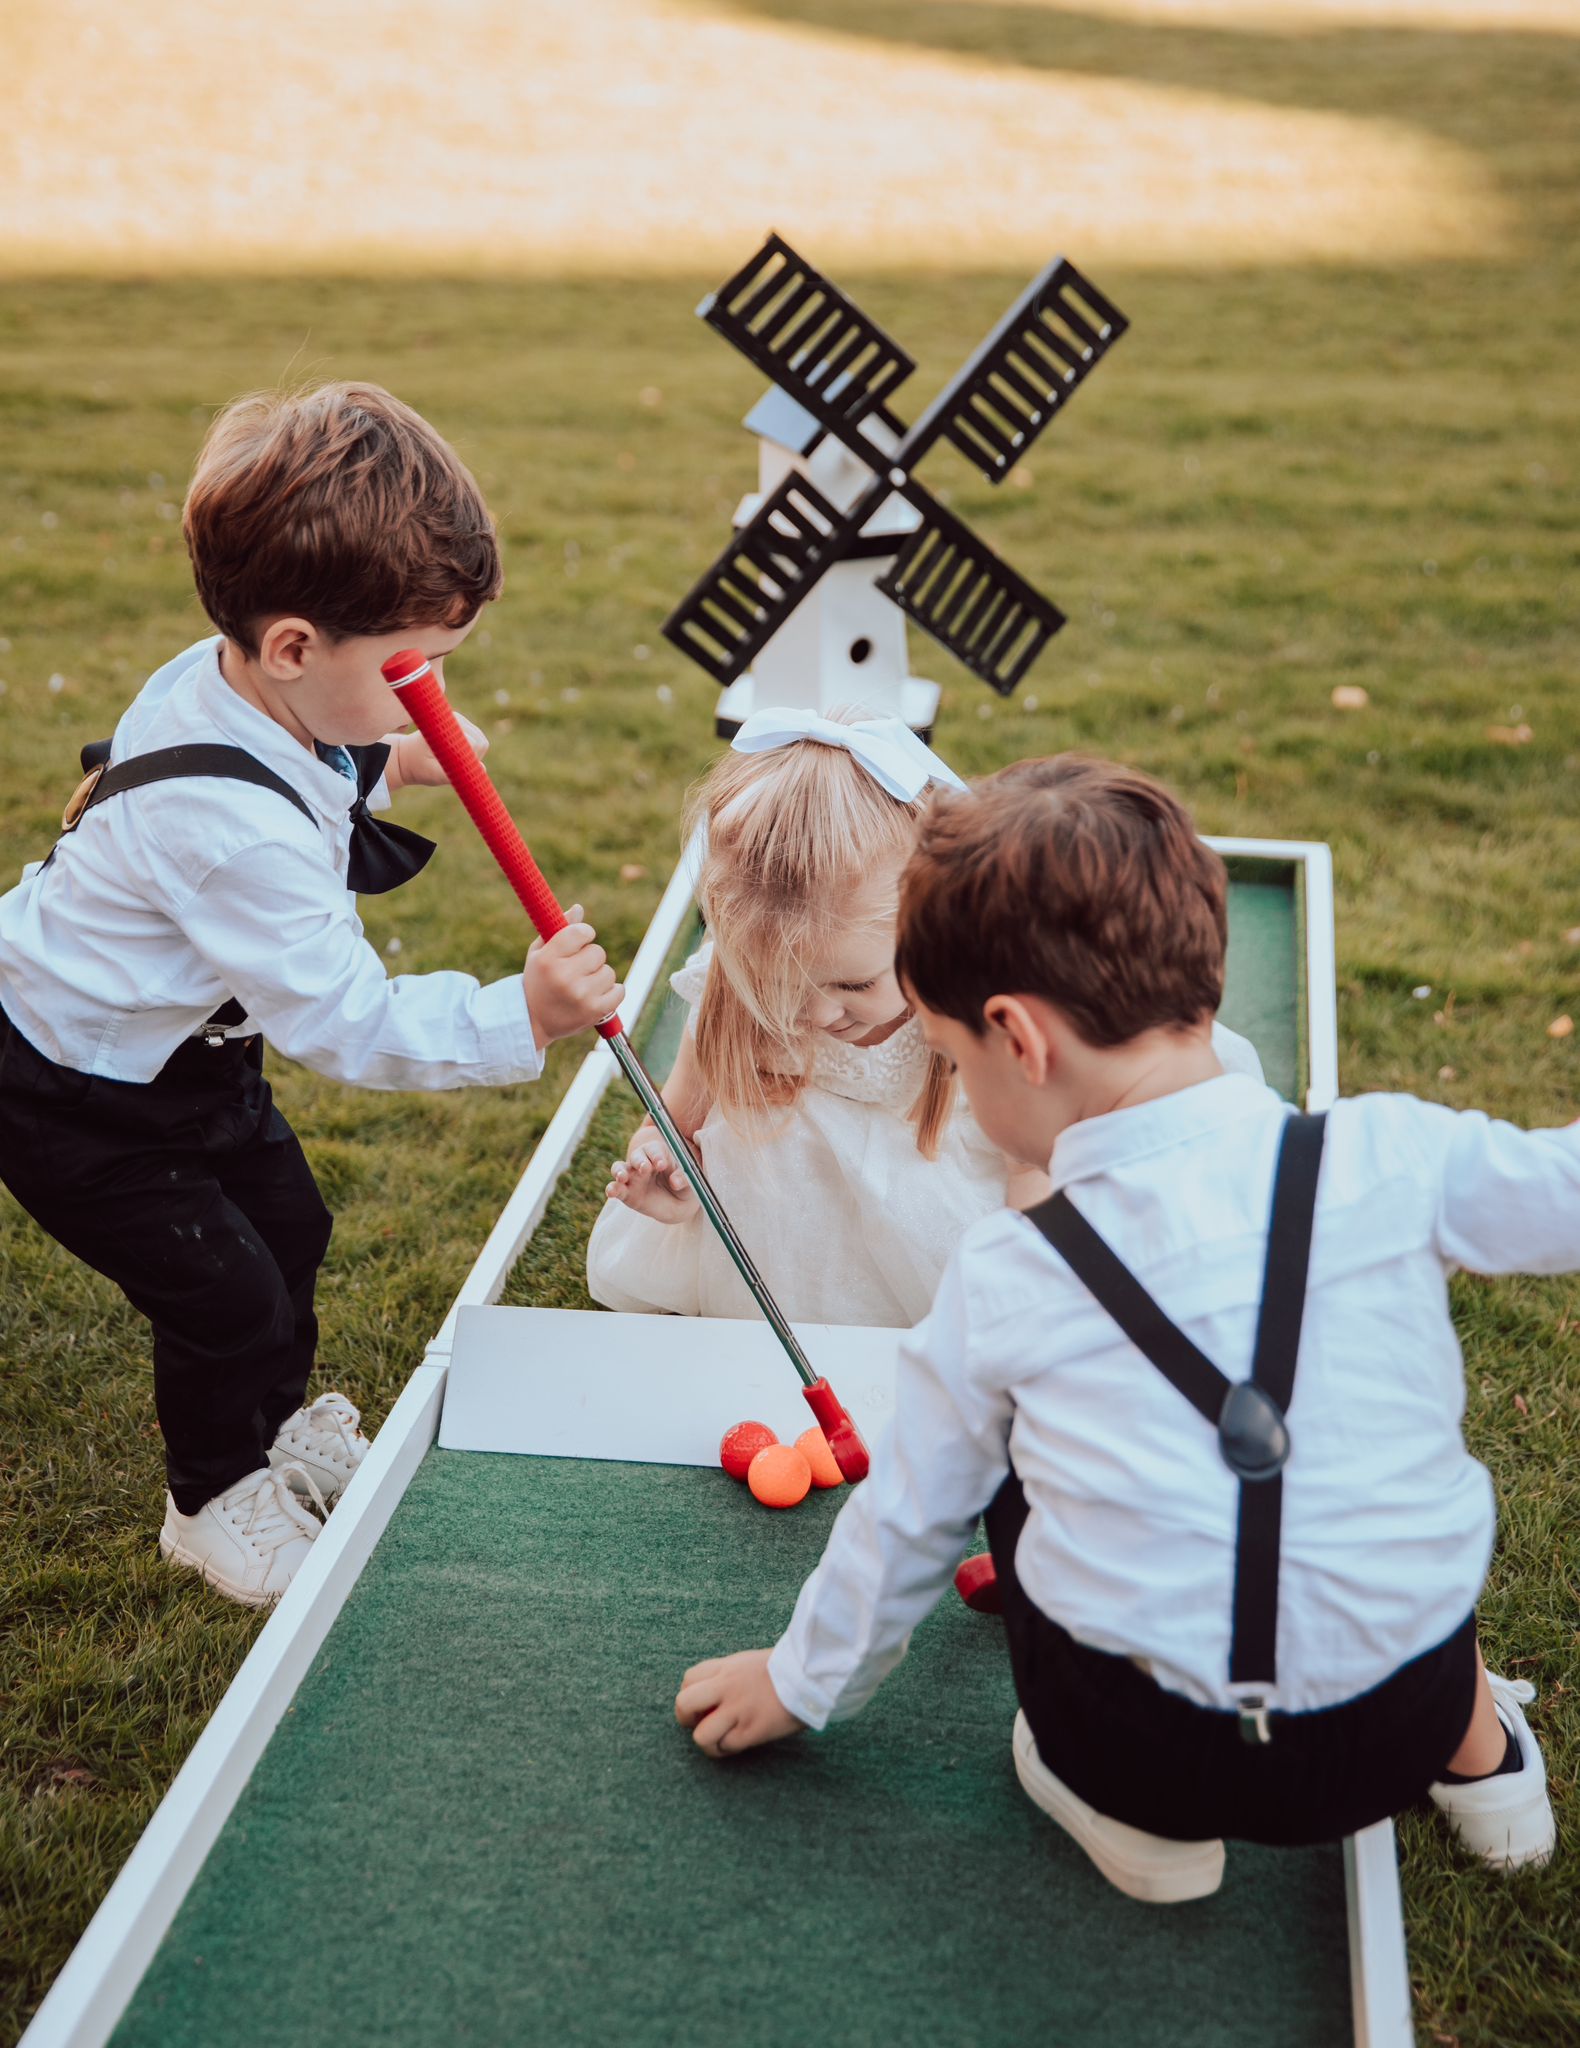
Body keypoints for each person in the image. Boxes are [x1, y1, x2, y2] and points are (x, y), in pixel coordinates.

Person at [674, 755, 1563, 1892]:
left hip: (1150, 1755)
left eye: (948, 1055)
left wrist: (795, 1683)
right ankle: (1492, 1780)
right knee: (1365, 1465)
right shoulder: (1386, 1152)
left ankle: (1139, 1835)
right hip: (1397, 1726)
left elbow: (903, 1518)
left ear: (1018, 1039)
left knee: (998, 1462)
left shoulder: (1004, 1267)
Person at [0, 382, 621, 1608]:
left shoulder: (238, 685)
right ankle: (211, 1499)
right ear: (294, 647)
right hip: (67, 1082)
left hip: (185, 1056)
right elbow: (348, 1019)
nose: (432, 692)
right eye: (415, 670)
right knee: (222, 1290)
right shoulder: (233, 837)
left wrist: (378, 756)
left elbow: (286, 769)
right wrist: (525, 1013)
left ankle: (273, 1428)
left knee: (291, 1229)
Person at [587, 708, 1264, 1327]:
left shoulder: (975, 1007)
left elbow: (1031, 1168)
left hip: (949, 1199)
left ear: (928, 923)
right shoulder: (729, 993)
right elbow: (671, 1120)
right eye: (776, 983)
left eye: (854, 981)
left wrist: (1026, 1291)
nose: (819, 1013)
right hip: (787, 1223)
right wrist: (667, 1175)